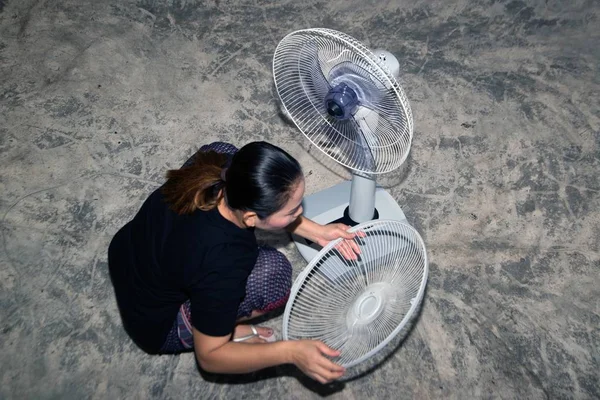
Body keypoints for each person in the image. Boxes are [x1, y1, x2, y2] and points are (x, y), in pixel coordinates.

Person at [108, 141, 360, 384]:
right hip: (156, 325)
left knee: (225, 149)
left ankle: (215, 320)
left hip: (126, 254)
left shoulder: (217, 166)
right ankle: (217, 329)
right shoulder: (225, 260)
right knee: (274, 275)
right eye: (292, 212)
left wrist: (317, 231)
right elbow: (209, 358)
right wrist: (290, 352)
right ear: (250, 217)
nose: (300, 213)